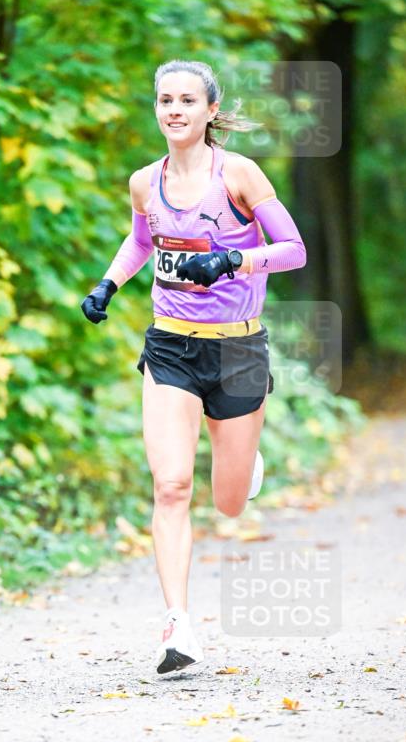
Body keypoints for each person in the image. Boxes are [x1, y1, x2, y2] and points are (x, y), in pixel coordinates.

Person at [81, 59, 306, 676]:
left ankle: (244, 460)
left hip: (236, 351)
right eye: (164, 100)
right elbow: (141, 243)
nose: (174, 110)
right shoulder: (142, 183)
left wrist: (231, 263)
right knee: (172, 485)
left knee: (228, 502)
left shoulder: (237, 174)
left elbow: (293, 249)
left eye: (186, 100)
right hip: (171, 348)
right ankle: (179, 625)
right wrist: (107, 285)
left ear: (210, 111)